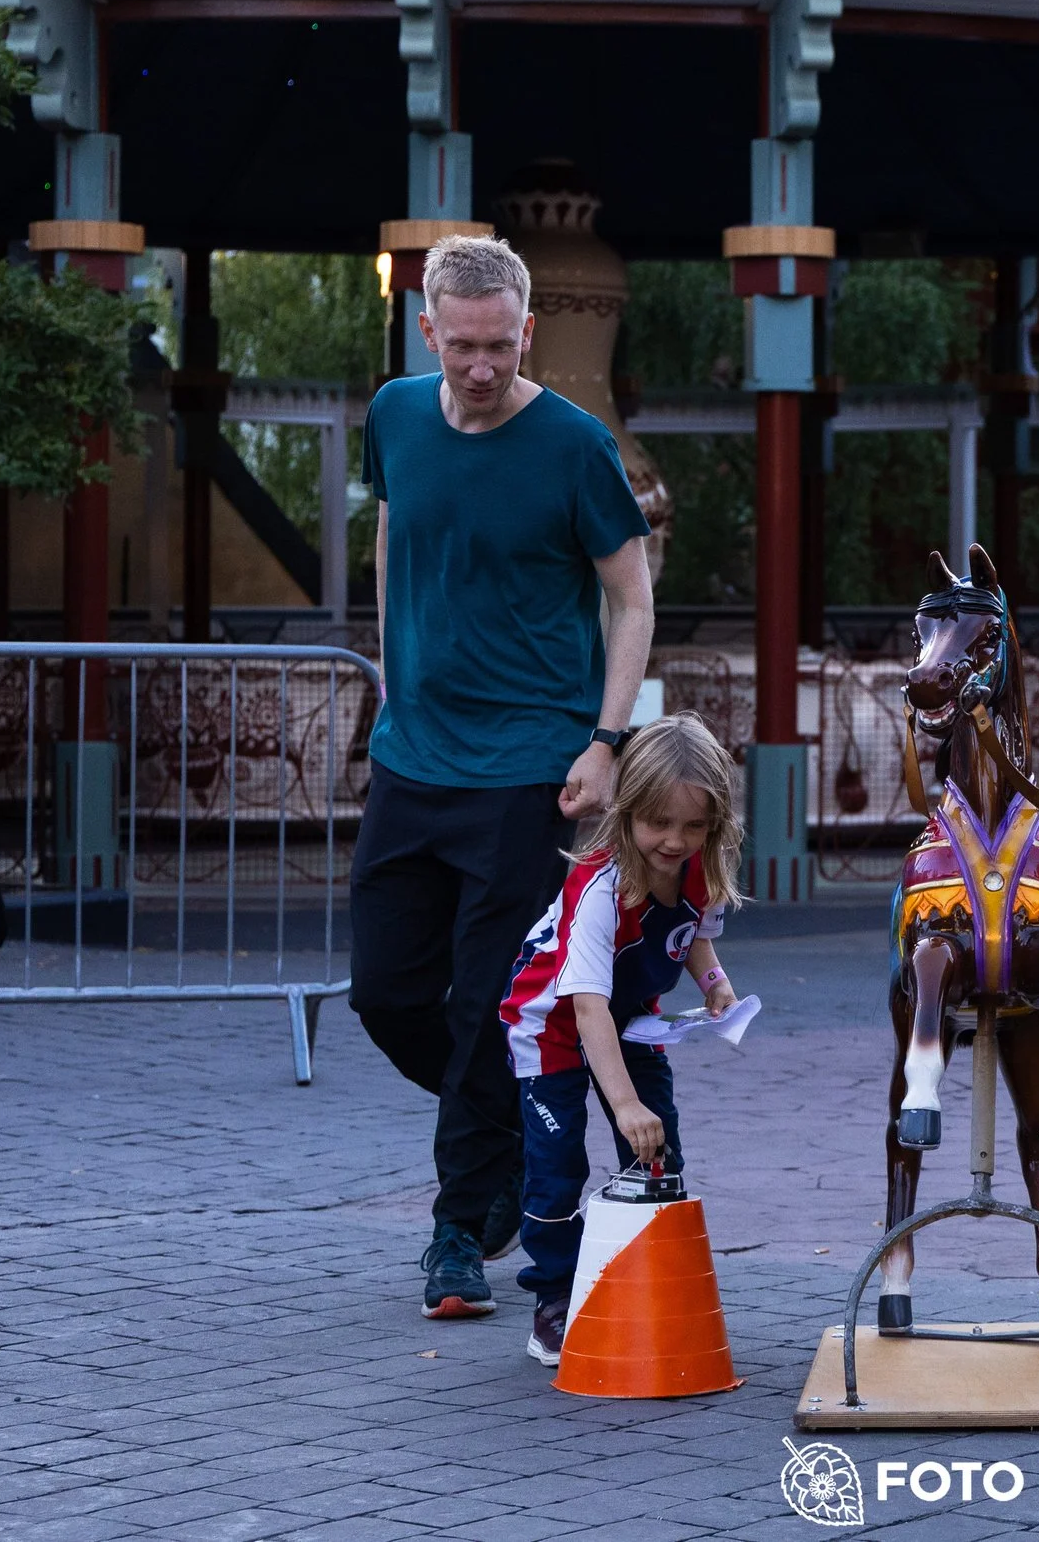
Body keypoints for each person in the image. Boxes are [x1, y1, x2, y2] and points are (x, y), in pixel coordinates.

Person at [352, 233, 656, 1321]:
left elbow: (632, 597)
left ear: (527, 331)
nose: (480, 367)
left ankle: (456, 1229)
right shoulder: (394, 415)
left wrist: (605, 740)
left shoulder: (573, 445)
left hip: (530, 768)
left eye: (500, 346)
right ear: (427, 331)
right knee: (386, 994)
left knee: (484, 1003)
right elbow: (394, 531)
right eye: (461, 346)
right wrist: (392, 675)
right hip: (413, 758)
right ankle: (516, 1122)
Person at [498, 712, 743, 1365]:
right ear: (628, 810)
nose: (675, 840)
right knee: (557, 1169)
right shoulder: (600, 886)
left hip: (631, 1017)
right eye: (659, 822)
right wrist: (624, 1102)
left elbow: (694, 936)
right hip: (552, 1027)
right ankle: (554, 1296)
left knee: (659, 1151)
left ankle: (644, 1274)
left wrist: (714, 982)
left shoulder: (701, 869)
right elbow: (585, 1009)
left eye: (694, 826)